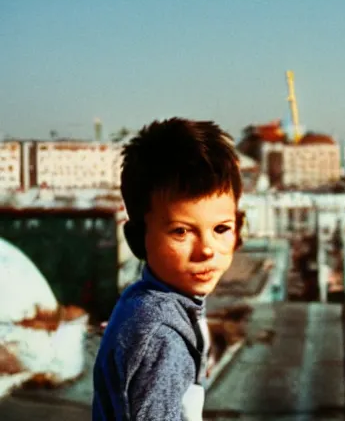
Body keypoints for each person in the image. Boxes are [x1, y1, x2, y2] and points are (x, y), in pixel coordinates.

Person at [92, 118, 244, 420]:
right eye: (181, 232)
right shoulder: (163, 338)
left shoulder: (144, 299)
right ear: (138, 239)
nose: (206, 250)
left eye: (221, 228)